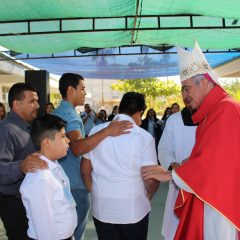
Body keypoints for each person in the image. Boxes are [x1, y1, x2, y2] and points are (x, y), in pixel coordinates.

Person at [142, 42, 240, 239]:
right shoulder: (212, 112)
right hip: (211, 194)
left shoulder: (225, 109)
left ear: (203, 82)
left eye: (186, 89)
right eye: (182, 90)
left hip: (220, 201)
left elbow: (214, 162)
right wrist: (181, 166)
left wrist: (172, 174)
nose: (184, 96)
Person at [52, 73, 133, 240]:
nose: (85, 93)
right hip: (75, 185)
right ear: (70, 90)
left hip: (62, 182)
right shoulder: (70, 115)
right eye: (82, 89)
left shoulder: (57, 111)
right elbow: (77, 147)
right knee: (74, 234)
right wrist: (107, 131)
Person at [81, 92, 171, 240]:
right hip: (133, 209)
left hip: (102, 209)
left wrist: (96, 191)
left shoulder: (96, 132)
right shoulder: (144, 138)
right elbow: (151, 179)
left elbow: (85, 171)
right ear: (139, 112)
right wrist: (147, 196)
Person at [0, 83, 48, 240]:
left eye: (37, 101)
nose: (38, 105)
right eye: (32, 101)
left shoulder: (29, 127)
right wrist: (21, 166)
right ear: (17, 104)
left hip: (29, 201)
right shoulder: (6, 130)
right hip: (14, 204)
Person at [20, 114, 77, 240]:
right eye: (63, 136)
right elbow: (44, 228)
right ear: (47, 142)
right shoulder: (40, 178)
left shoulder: (54, 165)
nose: (68, 140)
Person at [158, 94, 197, 240]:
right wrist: (174, 164)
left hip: (202, 184)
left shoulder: (210, 118)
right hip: (178, 182)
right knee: (176, 228)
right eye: (183, 90)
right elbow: (164, 148)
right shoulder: (174, 120)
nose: (186, 95)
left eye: (189, 89)